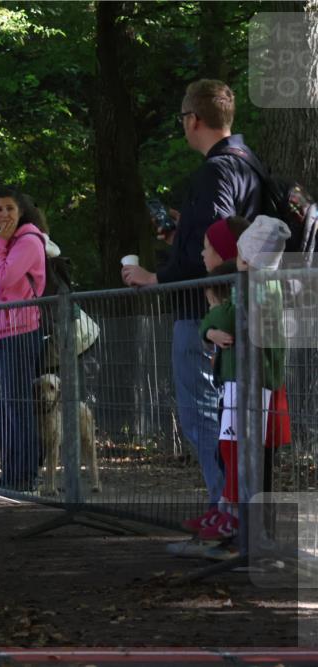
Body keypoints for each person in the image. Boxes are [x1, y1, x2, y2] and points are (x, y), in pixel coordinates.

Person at [122, 80, 266, 524]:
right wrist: (182, 233)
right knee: (228, 416)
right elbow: (226, 232)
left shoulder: (214, 170)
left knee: (204, 413)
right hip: (236, 308)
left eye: (183, 119)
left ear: (194, 120)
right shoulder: (248, 164)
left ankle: (226, 512)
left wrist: (156, 276)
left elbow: (217, 245)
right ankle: (235, 511)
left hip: (202, 312)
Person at [191, 216, 292, 543]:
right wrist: (210, 326)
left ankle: (240, 521)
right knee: (230, 447)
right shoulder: (255, 284)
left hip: (253, 383)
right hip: (241, 381)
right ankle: (228, 510)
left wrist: (211, 316)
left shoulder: (256, 286)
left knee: (240, 450)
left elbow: (230, 315)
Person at [0, 186, 47, 491]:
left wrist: (0, 243)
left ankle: (25, 474)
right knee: (2, 406)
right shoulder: (0, 244)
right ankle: (10, 472)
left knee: (16, 404)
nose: (3, 215)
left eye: (9, 209)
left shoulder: (27, 241)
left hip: (17, 333)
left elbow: (5, 278)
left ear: (21, 212)